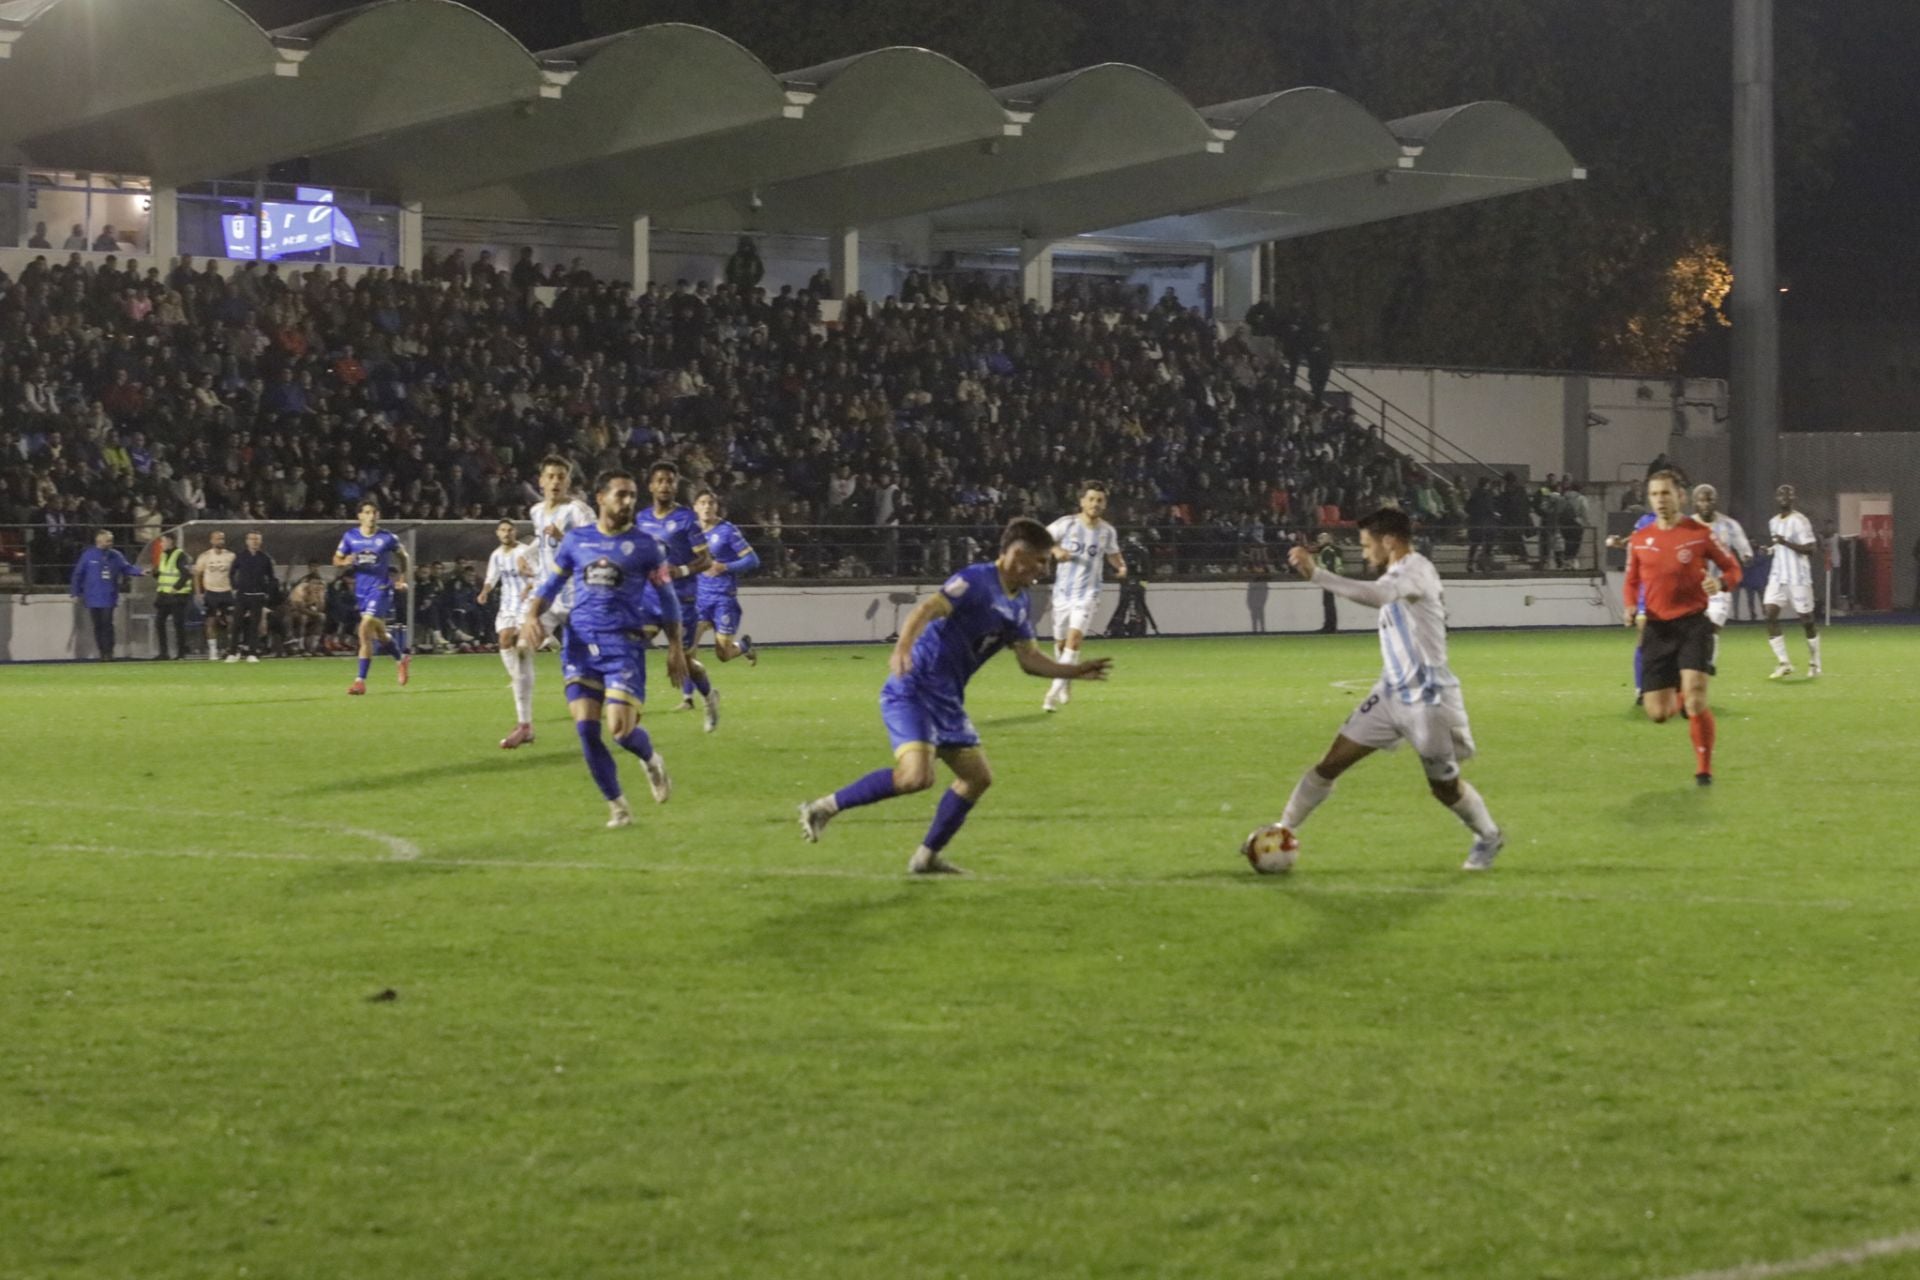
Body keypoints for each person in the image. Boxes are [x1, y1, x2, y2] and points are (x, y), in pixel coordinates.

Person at [796, 519, 1113, 875]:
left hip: (947, 699)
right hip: (914, 687)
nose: (1044, 568)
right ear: (1018, 555)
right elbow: (927, 609)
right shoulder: (976, 580)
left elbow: (1029, 660)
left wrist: (1073, 671)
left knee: (977, 778)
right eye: (1040, 560)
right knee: (916, 777)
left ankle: (926, 857)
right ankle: (822, 808)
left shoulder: (1020, 602)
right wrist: (903, 647)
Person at [1247, 508, 1503, 872]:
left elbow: (1380, 596)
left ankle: (1489, 836)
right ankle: (1281, 830)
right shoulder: (1397, 572)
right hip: (1389, 694)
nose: (1364, 553)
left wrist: (1317, 574)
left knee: (1444, 788)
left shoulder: (1416, 571)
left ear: (1390, 541)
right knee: (1329, 765)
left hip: (1428, 700)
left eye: (1367, 545)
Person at [520, 470, 684, 828]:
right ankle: (618, 806)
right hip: (579, 643)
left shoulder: (647, 546)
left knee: (621, 732)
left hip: (622, 644)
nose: (628, 502)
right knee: (586, 730)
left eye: (632, 496)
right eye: (621, 495)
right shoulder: (576, 541)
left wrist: (676, 648)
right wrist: (532, 614)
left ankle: (651, 760)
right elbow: (551, 585)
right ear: (601, 498)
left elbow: (668, 599)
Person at [1623, 471, 1742, 784]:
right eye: (1654, 494)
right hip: (1657, 628)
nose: (1660, 500)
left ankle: (1704, 768)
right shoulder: (1640, 539)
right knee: (1658, 713)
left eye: (1666, 493)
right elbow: (1632, 581)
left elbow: (1732, 568)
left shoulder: (1700, 534)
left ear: (1680, 496)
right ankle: (1678, 683)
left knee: (1696, 700)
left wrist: (1721, 583)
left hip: (1692, 625)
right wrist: (1630, 605)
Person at [637, 460, 719, 728]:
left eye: (670, 481)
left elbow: (706, 560)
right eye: (660, 481)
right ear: (651, 486)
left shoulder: (686, 519)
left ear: (675, 486)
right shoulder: (641, 518)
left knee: (685, 660)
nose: (665, 485)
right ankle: (632, 703)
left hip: (681, 599)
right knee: (632, 645)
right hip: (649, 598)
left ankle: (708, 696)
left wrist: (680, 570)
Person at [1042, 483, 1125, 712]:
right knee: (1060, 644)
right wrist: (1056, 550)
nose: (1095, 504)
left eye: (1100, 500)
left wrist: (1121, 566)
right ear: (1082, 501)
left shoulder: (1107, 531)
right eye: (1091, 499)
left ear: (1104, 504)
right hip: (1062, 593)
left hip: (1088, 593)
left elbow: (1113, 554)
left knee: (1074, 640)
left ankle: (1051, 695)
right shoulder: (1066, 524)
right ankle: (1066, 680)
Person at [333, 500, 411, 695]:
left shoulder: (387, 538)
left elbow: (404, 557)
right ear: (359, 516)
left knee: (364, 629)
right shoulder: (350, 537)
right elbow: (336, 559)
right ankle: (401, 659)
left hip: (381, 588)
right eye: (367, 512)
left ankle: (360, 681)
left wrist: (401, 579)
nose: (371, 516)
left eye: (374, 512)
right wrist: (344, 561)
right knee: (380, 634)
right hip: (361, 591)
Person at [478, 519, 539, 749]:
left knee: (519, 644)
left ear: (515, 532)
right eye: (503, 530)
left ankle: (520, 682)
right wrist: (485, 592)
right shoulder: (496, 555)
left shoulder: (525, 551)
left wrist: (529, 587)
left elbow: (538, 574)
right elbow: (491, 578)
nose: (506, 533)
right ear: (497, 533)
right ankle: (516, 677)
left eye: (510, 530)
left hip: (527, 602)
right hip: (507, 605)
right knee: (504, 640)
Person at [529, 455, 596, 649]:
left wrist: (563, 538)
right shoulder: (536, 511)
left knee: (587, 649)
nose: (555, 481)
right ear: (541, 481)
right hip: (546, 589)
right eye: (550, 476)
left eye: (561, 477)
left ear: (568, 482)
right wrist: (525, 556)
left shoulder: (578, 510)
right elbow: (542, 542)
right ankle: (545, 643)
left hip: (575, 590)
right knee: (524, 641)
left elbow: (594, 546)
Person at [693, 489, 760, 669]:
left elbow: (753, 560)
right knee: (688, 650)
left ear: (716, 507)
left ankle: (744, 646)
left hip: (723, 599)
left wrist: (725, 567)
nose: (707, 507)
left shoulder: (727, 530)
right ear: (695, 507)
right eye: (702, 503)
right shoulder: (691, 532)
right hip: (699, 599)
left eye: (711, 503)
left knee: (723, 654)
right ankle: (690, 688)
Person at [1691, 484, 1753, 671]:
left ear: (1715, 501)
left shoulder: (1729, 525)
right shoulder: (1687, 525)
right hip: (1693, 588)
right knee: (1693, 632)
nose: (1706, 504)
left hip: (1720, 587)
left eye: (1709, 500)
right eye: (1702, 500)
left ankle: (1708, 664)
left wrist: (1746, 557)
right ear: (1695, 503)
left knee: (1712, 627)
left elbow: (1745, 551)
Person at [1763, 483, 1821, 679]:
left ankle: (1814, 661)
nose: (1784, 497)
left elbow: (1811, 549)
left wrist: (1785, 542)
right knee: (1769, 614)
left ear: (1793, 498)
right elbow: (1778, 547)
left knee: (1807, 620)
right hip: (1778, 576)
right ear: (1776, 498)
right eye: (1781, 494)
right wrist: (1768, 550)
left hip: (1798, 577)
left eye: (1788, 494)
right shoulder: (1773, 522)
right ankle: (1784, 662)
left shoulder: (1800, 521)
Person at [69, 529, 146, 661]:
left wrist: (140, 572)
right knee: (98, 626)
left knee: (107, 624)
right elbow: (78, 574)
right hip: (92, 597)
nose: (111, 543)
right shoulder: (88, 555)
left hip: (108, 596)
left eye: (111, 540)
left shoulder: (116, 555)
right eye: (108, 540)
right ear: (99, 541)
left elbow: (126, 568)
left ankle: (108, 652)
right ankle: (102, 652)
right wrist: (75, 592)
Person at [229, 530, 277, 663]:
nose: (254, 542)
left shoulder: (265, 558)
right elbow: (231, 573)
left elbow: (271, 578)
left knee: (254, 625)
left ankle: (252, 653)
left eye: (257, 539)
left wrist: (266, 592)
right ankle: (232, 652)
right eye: (252, 539)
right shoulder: (240, 556)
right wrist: (234, 588)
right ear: (247, 541)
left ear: (260, 541)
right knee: (236, 624)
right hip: (242, 595)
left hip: (258, 595)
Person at [193, 530, 236, 661]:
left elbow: (237, 573)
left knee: (231, 621)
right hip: (211, 592)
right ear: (212, 540)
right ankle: (213, 650)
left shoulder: (231, 556)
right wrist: (198, 593)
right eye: (217, 539)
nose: (220, 541)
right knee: (210, 621)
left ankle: (231, 648)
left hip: (227, 591)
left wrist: (236, 589)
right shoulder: (204, 556)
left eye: (222, 538)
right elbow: (197, 575)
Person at [152, 532, 194, 659]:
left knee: (178, 624)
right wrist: (155, 573)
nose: (161, 544)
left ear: (170, 541)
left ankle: (181, 653)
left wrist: (176, 587)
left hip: (178, 596)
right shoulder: (164, 555)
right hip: (165, 596)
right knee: (159, 622)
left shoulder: (180, 555)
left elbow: (186, 574)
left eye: (163, 541)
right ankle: (163, 653)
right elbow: (164, 574)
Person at [1314, 532, 1345, 632]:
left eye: (1321, 539)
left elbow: (1329, 567)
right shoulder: (1332, 550)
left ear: (1327, 539)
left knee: (1328, 603)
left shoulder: (1327, 551)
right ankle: (1330, 625)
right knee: (1328, 603)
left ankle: (1330, 626)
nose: (1319, 541)